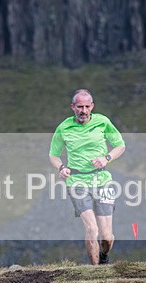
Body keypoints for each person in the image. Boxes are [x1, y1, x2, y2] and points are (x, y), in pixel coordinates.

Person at [49, 89, 126, 264]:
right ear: (72, 107)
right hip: (77, 182)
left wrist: (106, 158)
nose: (83, 111)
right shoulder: (64, 127)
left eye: (86, 106)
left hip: (102, 181)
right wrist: (61, 167)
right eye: (79, 107)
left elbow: (120, 145)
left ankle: (104, 257)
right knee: (92, 228)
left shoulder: (103, 122)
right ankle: (96, 271)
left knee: (106, 237)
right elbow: (53, 154)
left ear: (92, 106)